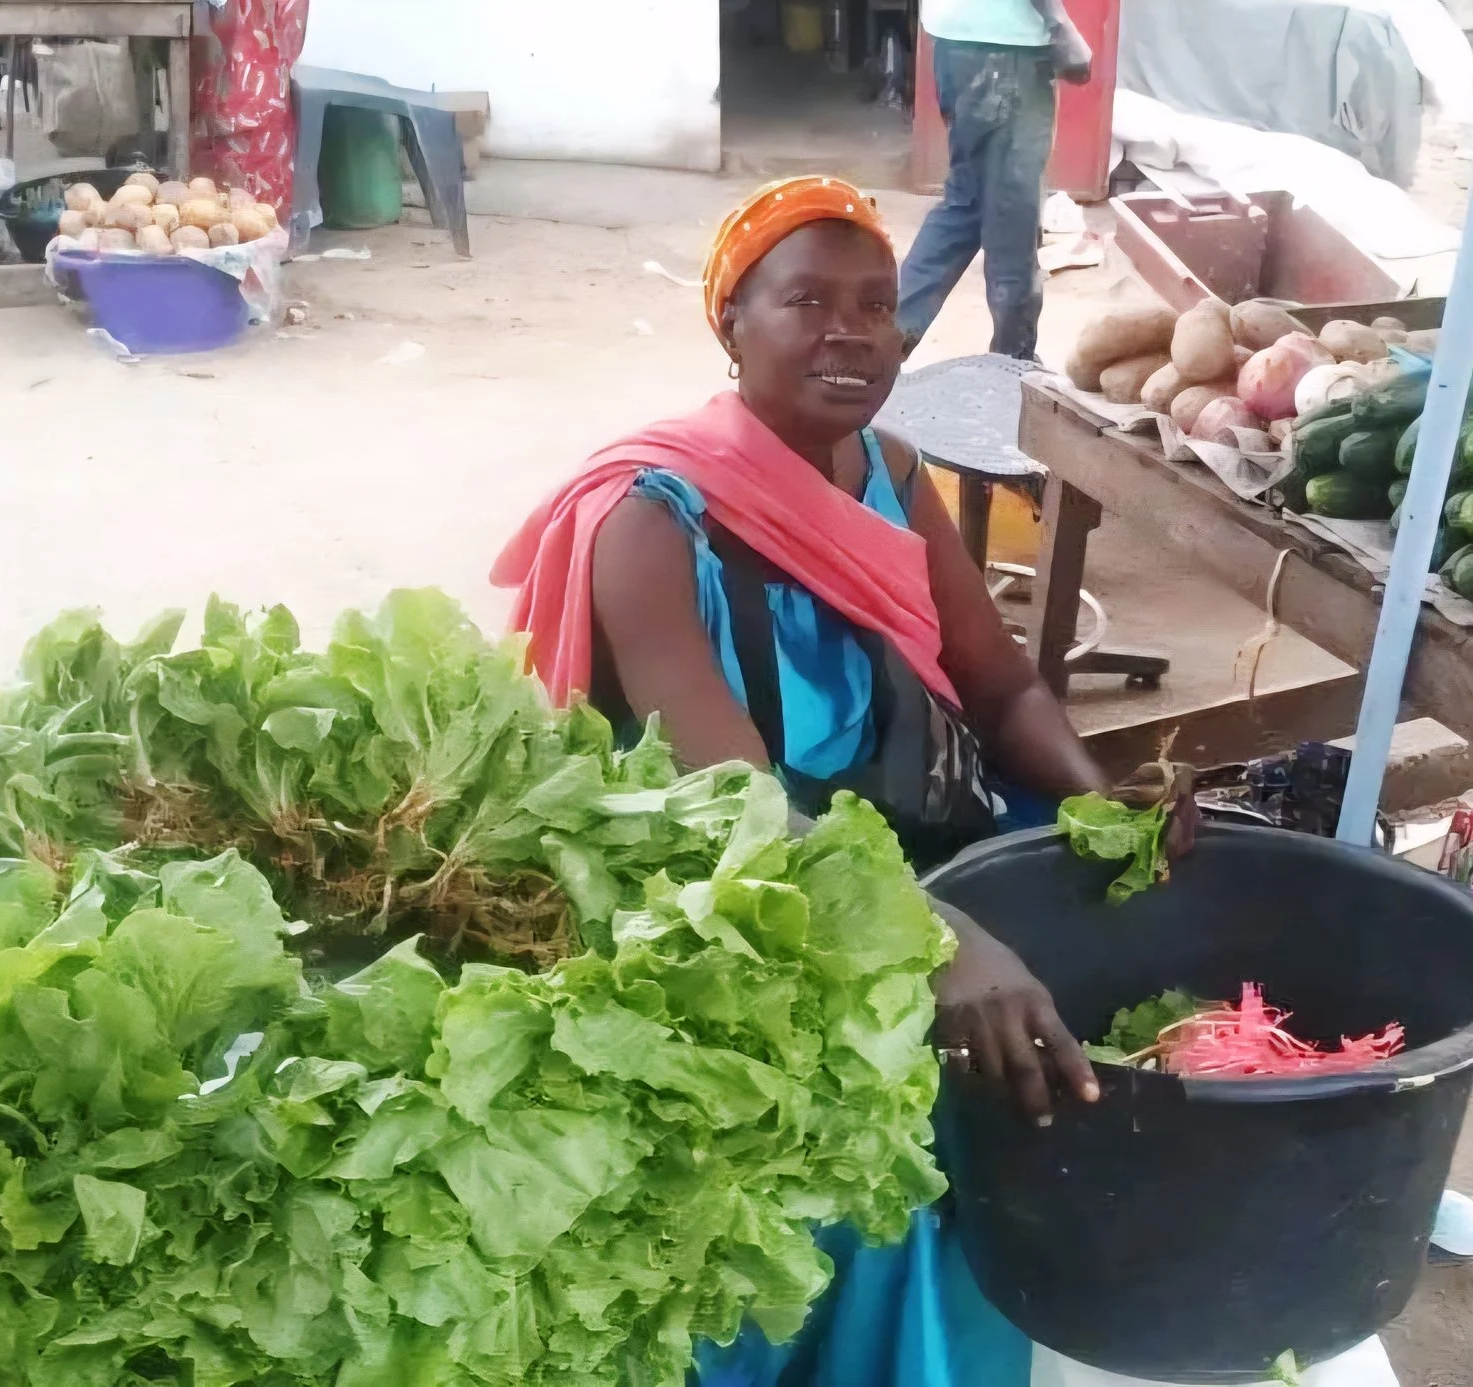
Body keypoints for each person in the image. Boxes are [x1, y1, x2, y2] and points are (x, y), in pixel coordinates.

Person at [494, 174, 1124, 1387]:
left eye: (878, 306)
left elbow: (1001, 691)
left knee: (1107, 922)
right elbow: (734, 807)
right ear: (733, 323)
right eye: (808, 302)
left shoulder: (889, 470)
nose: (853, 332)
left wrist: (1096, 802)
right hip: (728, 886)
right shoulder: (651, 517)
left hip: (895, 834)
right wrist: (940, 944)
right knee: (891, 1110)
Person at [896, 0, 1093, 359]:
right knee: (1012, 215)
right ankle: (1013, 363)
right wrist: (1059, 22)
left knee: (967, 202)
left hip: (958, 41)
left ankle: (883, 339)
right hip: (1006, 48)